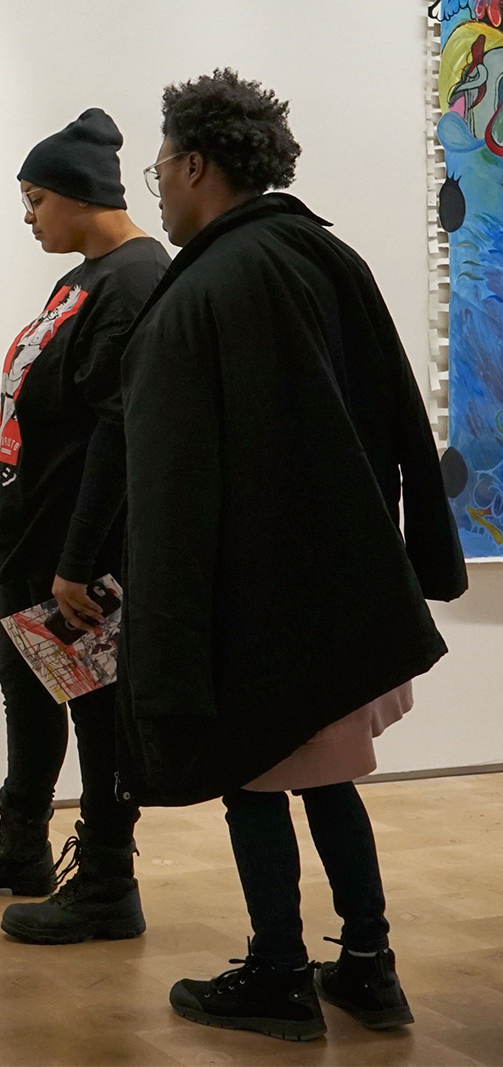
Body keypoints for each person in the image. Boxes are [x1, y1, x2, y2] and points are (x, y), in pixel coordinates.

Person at [119, 70, 467, 1041]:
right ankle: (368, 964)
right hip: (342, 583)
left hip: (257, 598)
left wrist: (169, 641)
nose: (159, 186)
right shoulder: (324, 255)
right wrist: (419, 563)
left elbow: (174, 483)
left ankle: (278, 970)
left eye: (160, 169)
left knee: (255, 779)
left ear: (196, 163)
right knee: (325, 775)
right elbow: (402, 409)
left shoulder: (207, 290)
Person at [0, 109, 169, 946]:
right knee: (24, 686)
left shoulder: (135, 280)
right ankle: (23, 838)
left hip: (78, 550)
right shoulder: (84, 277)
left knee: (97, 711)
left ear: (75, 195)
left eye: (34, 199)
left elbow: (117, 430)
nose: (29, 217)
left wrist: (78, 559)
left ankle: (107, 878)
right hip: (35, 539)